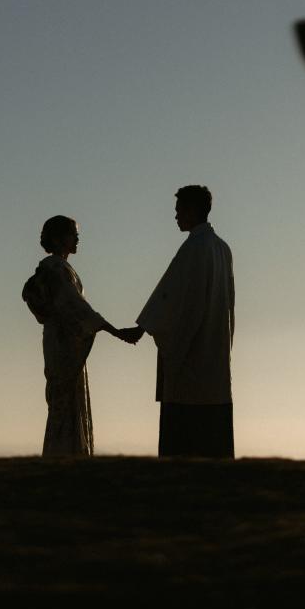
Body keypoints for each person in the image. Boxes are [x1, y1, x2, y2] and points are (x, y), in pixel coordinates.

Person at [128, 185, 236, 458]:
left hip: (192, 353)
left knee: (185, 438)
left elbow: (172, 297)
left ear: (192, 210)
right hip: (215, 351)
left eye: (179, 211)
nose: (176, 216)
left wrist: (145, 328)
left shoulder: (194, 249)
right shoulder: (222, 248)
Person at [33, 215, 136, 456]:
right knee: (65, 401)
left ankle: (64, 452)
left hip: (61, 341)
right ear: (59, 239)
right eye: (72, 233)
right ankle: (64, 454)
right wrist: (115, 331)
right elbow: (78, 309)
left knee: (65, 400)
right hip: (62, 343)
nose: (77, 238)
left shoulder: (55, 268)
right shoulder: (57, 269)